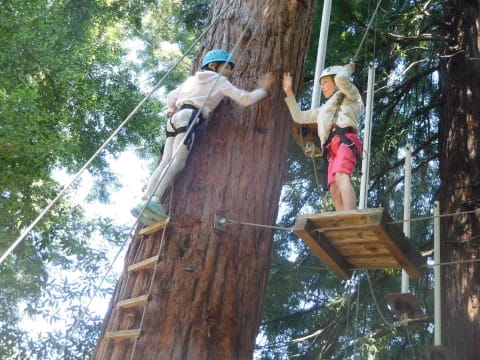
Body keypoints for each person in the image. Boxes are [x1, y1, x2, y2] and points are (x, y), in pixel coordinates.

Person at [132, 49, 275, 225]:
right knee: (178, 162)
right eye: (227, 66)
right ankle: (154, 200)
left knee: (165, 161)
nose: (230, 71)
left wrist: (170, 108)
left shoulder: (191, 79)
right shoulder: (220, 80)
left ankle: (144, 199)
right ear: (214, 65)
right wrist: (263, 90)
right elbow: (244, 99)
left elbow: (172, 96)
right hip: (190, 117)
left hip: (175, 118)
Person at [282, 63, 364, 211]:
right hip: (332, 148)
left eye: (325, 82)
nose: (322, 86)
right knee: (333, 188)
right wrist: (289, 93)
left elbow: (341, 80)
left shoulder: (351, 94)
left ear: (335, 80)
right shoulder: (323, 110)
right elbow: (299, 116)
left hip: (346, 139)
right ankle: (341, 219)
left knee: (341, 176)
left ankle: (350, 215)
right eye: (321, 84)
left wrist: (348, 69)